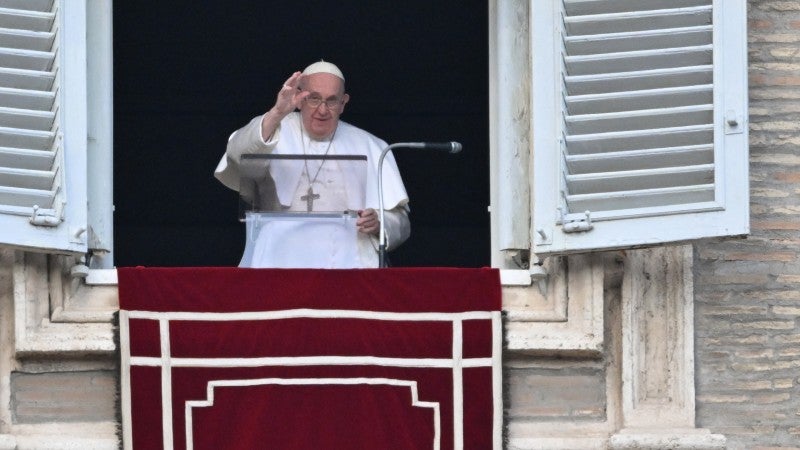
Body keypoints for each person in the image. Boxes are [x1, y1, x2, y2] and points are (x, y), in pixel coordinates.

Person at [214, 60, 410, 268]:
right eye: (314, 99)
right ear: (299, 98)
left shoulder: (370, 144)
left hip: (347, 262)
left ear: (343, 103)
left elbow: (401, 221)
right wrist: (277, 113)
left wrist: (379, 222)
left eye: (332, 101)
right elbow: (238, 155)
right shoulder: (272, 128)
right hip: (280, 256)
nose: (323, 110)